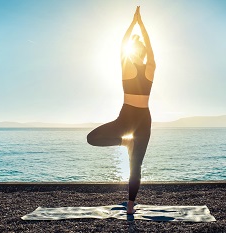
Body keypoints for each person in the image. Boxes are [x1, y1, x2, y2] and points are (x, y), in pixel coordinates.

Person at [87, 6, 156, 215]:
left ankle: (131, 203)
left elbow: (127, 46)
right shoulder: (144, 66)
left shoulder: (138, 65)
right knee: (95, 139)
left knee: (134, 164)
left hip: (136, 118)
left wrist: (135, 24)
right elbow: (138, 46)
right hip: (135, 117)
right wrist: (139, 25)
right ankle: (125, 142)